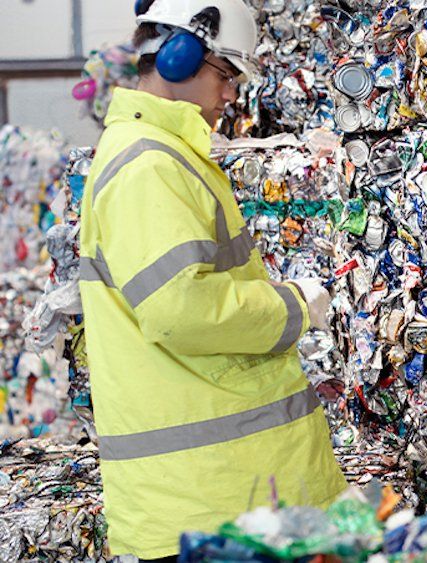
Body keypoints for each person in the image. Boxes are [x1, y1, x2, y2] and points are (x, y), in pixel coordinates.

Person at [77, 0, 346, 559]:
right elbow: (181, 309)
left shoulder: (165, 155)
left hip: (226, 497)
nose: (232, 95)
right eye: (227, 74)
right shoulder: (148, 165)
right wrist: (294, 306)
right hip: (210, 506)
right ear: (179, 57)